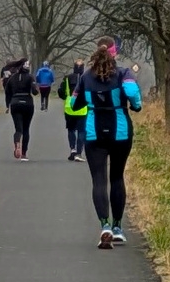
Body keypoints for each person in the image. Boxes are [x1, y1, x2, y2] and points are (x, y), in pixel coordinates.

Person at [70, 40, 145, 248]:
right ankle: (118, 228)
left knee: (99, 180)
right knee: (117, 177)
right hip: (120, 131)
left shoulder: (86, 76)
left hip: (94, 132)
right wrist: (136, 105)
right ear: (115, 53)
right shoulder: (124, 73)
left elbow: (74, 103)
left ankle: (105, 226)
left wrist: (89, 100)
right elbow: (131, 93)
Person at [1, 56, 37, 159]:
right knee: (26, 129)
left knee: (18, 129)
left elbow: (7, 92)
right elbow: (34, 92)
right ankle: (24, 153)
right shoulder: (30, 77)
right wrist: (35, 88)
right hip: (28, 103)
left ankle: (17, 143)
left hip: (15, 102)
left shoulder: (12, 78)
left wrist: (8, 105)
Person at [58, 63, 89, 163]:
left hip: (69, 108)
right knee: (81, 131)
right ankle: (79, 153)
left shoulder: (67, 78)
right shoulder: (86, 78)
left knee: (71, 129)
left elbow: (61, 91)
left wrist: (66, 97)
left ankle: (72, 149)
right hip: (83, 108)